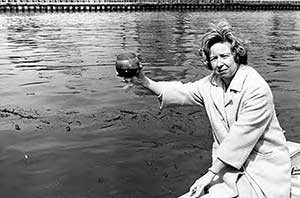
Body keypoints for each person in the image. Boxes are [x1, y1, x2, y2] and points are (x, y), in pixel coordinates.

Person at [127, 21, 291, 198]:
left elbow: (239, 139)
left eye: (224, 56)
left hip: (263, 171)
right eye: (214, 58)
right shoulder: (211, 83)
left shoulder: (256, 88)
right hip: (227, 170)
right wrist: (144, 81)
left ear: (236, 55)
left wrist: (209, 175)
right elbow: (180, 91)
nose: (219, 64)